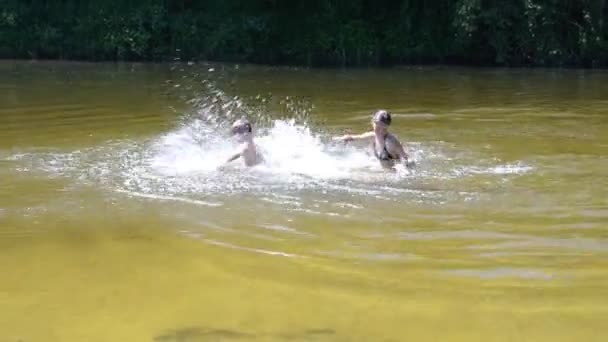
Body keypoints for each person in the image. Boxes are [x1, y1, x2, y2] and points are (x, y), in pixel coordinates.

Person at [333, 109, 415, 170]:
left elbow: (405, 159)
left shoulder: (391, 141)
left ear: (387, 126)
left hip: (392, 172)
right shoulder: (372, 136)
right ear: (372, 123)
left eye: (383, 126)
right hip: (383, 168)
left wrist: (402, 171)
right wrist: (341, 139)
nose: (380, 129)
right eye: (377, 125)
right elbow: (356, 137)